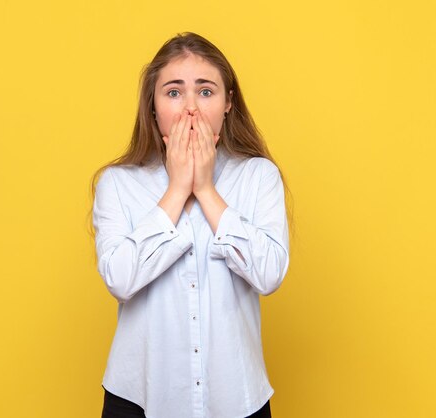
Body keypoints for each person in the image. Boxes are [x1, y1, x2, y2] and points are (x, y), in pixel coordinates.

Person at [92, 32, 290, 418]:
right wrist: (178, 188)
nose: (190, 109)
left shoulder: (258, 177)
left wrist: (205, 188)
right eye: (173, 92)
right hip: (140, 397)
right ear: (153, 107)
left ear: (228, 102)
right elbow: (119, 278)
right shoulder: (118, 183)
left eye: (205, 91)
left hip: (237, 397)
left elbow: (269, 274)